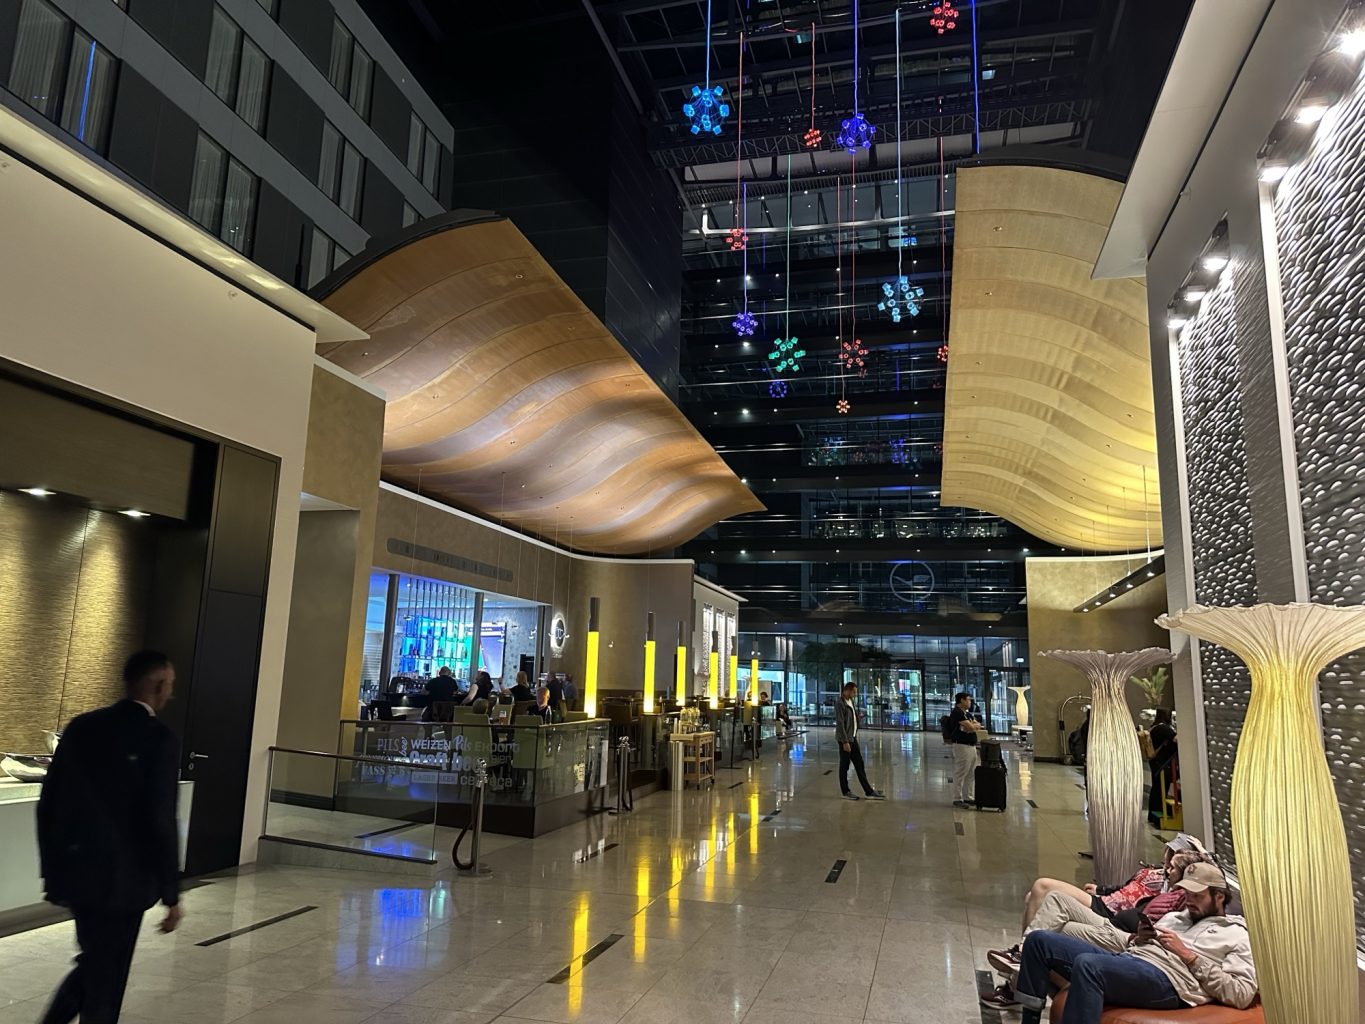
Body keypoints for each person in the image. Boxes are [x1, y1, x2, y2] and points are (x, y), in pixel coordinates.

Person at [37, 650, 184, 1024]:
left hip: (78, 872)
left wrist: (52, 869)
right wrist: (170, 892)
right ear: (158, 686)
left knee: (94, 963)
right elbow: (160, 818)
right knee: (107, 975)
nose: (170, 694)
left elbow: (49, 803)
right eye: (169, 686)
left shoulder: (82, 727)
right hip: (125, 882)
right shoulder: (159, 740)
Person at [1009, 863, 1257, 1023]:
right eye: (1187, 894)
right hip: (1132, 960)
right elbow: (1134, 949)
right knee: (1038, 941)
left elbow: (1241, 994)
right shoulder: (1177, 917)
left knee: (1088, 964)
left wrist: (1189, 956)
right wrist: (1141, 938)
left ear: (1219, 896)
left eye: (1197, 896)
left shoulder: (1237, 934)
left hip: (1171, 983)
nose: (1189, 901)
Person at [980, 848, 1209, 1008]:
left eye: (1173, 867)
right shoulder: (1159, 879)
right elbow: (1126, 888)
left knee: (1046, 921)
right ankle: (1021, 961)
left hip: (1119, 930)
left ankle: (1019, 978)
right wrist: (1102, 890)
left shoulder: (1178, 898)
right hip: (1111, 916)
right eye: (1168, 863)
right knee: (1045, 900)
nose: (1167, 869)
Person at [834, 682, 885, 801]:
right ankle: (845, 791)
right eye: (854, 692)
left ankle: (869, 791)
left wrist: (856, 718)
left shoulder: (850, 701)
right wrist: (845, 742)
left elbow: (849, 718)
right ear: (847, 690)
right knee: (844, 765)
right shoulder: (840, 703)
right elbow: (840, 723)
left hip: (852, 737)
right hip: (845, 739)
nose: (855, 694)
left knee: (859, 764)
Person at [949, 692, 985, 807]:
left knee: (971, 773)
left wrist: (973, 726)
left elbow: (976, 725)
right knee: (961, 772)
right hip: (962, 746)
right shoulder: (957, 713)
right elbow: (971, 727)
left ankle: (968, 797)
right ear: (962, 700)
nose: (970, 702)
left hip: (971, 746)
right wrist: (972, 726)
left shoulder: (967, 714)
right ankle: (957, 798)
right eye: (968, 700)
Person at [1147, 708, 1177, 826]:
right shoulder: (1163, 729)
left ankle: (1152, 814)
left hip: (1155, 762)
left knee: (1156, 788)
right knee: (1161, 789)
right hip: (1163, 764)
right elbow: (1176, 739)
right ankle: (1159, 811)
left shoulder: (1154, 727)